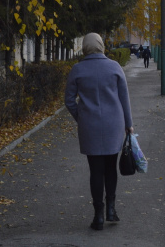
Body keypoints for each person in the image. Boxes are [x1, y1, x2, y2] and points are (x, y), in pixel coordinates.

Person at [65, 33, 134, 230]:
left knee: (95, 171)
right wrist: (128, 123)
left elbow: (69, 100)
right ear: (101, 46)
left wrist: (81, 116)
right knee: (111, 168)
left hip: (89, 126)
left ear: (85, 47)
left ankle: (98, 216)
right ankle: (111, 209)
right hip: (113, 125)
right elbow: (124, 99)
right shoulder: (114, 67)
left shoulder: (77, 69)